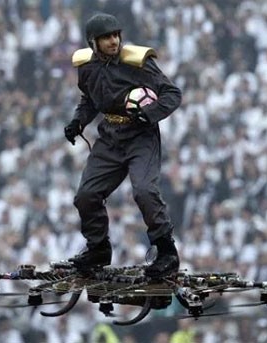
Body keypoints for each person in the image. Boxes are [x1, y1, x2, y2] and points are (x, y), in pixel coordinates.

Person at [64, 12, 182, 277]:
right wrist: (78, 122)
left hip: (141, 136)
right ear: (93, 42)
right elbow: (90, 99)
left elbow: (172, 93)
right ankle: (98, 250)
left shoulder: (137, 62)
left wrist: (148, 114)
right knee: (86, 195)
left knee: (144, 191)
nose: (114, 41)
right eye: (106, 37)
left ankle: (166, 253)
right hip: (110, 137)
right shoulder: (86, 67)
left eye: (116, 35)